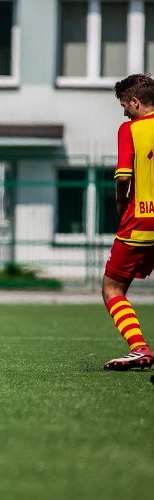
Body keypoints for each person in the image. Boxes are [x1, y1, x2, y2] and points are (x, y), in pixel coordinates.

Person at [101, 74, 154, 371]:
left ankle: (139, 348)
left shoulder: (130, 129)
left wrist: (122, 201)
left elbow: (123, 175)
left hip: (141, 221)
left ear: (135, 102)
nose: (125, 113)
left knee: (113, 288)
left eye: (125, 106)